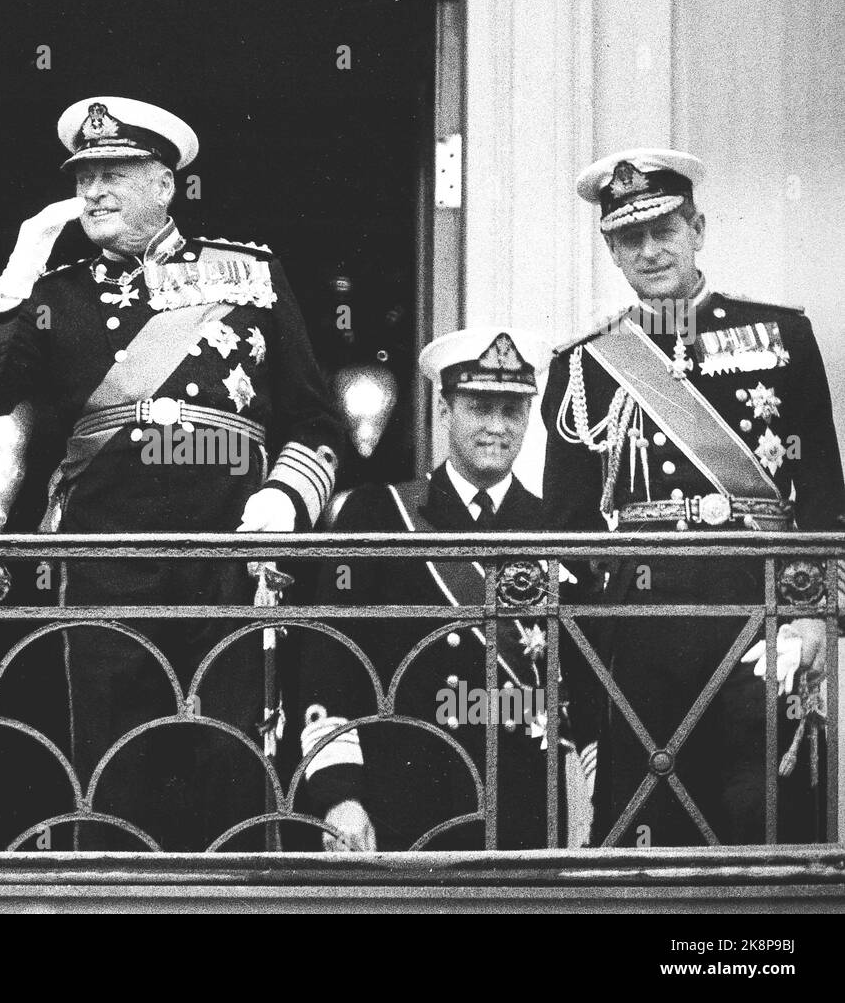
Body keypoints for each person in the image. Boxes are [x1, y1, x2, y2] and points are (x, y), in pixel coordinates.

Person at [0, 97, 343, 849]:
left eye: (113, 173)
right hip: (104, 570)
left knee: (230, 783)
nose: (92, 190)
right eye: (84, 175)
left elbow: (316, 421)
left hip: (225, 564)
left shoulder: (249, 273)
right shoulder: (56, 294)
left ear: (165, 183)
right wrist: (15, 274)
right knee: (113, 789)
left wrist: (287, 493)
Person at [542, 148, 844, 846]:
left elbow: (825, 496)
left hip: (760, 625)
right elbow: (567, 536)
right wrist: (590, 685)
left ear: (698, 228)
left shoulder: (781, 338)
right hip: (640, 634)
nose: (649, 251)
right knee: (650, 843)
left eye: (664, 230)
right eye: (629, 238)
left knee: (761, 830)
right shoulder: (585, 364)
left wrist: (813, 621)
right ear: (611, 250)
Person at [299, 327, 595, 850]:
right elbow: (329, 661)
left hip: (524, 808)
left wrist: (596, 790)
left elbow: (589, 681)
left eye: (512, 412)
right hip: (403, 799)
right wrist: (339, 795)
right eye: (480, 407)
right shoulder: (380, 515)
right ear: (445, 410)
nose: (497, 427)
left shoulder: (554, 528)